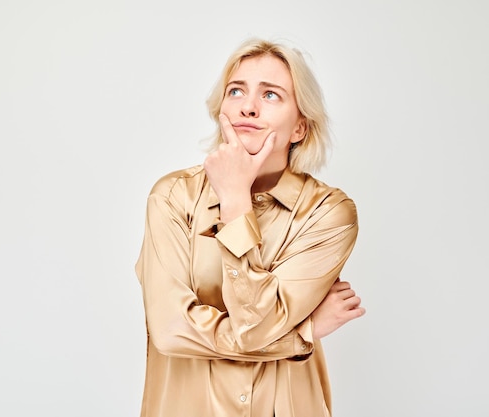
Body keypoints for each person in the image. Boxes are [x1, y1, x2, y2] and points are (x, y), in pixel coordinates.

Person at [135, 37, 365, 417]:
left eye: (271, 95)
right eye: (236, 91)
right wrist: (301, 334)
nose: (249, 107)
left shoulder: (328, 214)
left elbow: (255, 326)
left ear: (299, 129)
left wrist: (235, 199)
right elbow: (170, 330)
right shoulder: (172, 196)